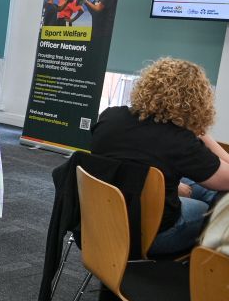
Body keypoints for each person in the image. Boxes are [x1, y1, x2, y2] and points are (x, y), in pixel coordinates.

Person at [91, 58, 229, 256]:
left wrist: (168, 186)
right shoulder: (179, 141)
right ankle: (189, 274)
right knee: (210, 209)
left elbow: (126, 160)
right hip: (151, 236)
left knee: (193, 185)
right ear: (196, 101)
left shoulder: (109, 117)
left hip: (99, 220)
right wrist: (203, 135)